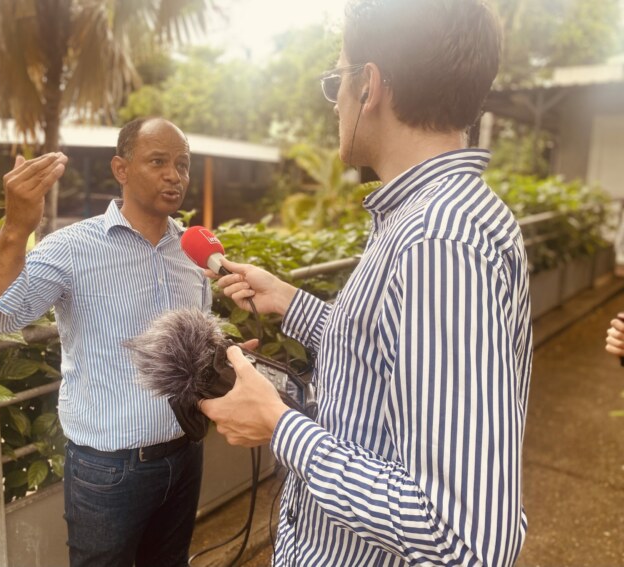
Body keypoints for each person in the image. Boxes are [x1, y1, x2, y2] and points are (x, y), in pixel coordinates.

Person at [199, 0, 533, 565]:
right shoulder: (427, 218)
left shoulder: (441, 240)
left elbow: (464, 536)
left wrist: (280, 425)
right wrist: (291, 301)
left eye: (338, 80)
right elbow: (389, 356)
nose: (337, 103)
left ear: (371, 85)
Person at [0, 117, 211, 567]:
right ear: (120, 168)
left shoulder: (193, 250)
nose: (174, 175)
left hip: (186, 452)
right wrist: (16, 228)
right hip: (109, 469)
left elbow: (195, 344)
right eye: (158, 161)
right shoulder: (72, 248)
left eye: (182, 164)